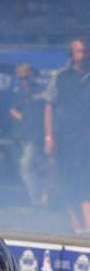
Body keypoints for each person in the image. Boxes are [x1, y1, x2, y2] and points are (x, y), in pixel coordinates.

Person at [44, 36, 90, 233]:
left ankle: (88, 227)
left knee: (86, 180)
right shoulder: (61, 77)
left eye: (85, 51)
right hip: (67, 139)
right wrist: (49, 137)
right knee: (68, 182)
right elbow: (49, 106)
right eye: (79, 51)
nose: (83, 55)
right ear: (72, 54)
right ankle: (78, 227)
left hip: (87, 139)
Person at [10, 63, 51, 208]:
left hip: (43, 135)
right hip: (28, 136)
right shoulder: (21, 94)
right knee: (29, 167)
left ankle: (45, 198)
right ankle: (36, 200)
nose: (24, 81)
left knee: (42, 167)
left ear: (31, 76)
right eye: (21, 78)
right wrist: (24, 118)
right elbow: (12, 110)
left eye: (26, 77)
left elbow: (50, 108)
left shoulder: (41, 90)